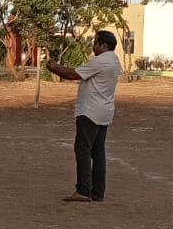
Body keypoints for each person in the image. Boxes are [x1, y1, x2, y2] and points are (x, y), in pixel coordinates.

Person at [46, 31, 122, 203]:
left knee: (83, 149)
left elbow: (74, 74)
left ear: (104, 45)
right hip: (104, 111)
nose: (93, 47)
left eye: (96, 43)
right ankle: (97, 191)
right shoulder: (115, 60)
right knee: (98, 152)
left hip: (90, 111)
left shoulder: (101, 61)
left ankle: (83, 190)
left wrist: (55, 68)